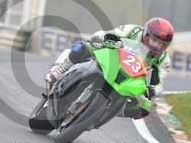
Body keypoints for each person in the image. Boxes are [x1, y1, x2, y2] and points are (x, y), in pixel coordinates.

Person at [44, 18, 174, 119]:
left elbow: (159, 82)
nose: (158, 46)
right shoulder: (134, 30)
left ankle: (108, 111)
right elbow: (110, 33)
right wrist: (101, 39)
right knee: (82, 48)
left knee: (144, 109)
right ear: (146, 35)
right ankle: (59, 71)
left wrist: (153, 90)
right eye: (155, 41)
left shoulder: (163, 59)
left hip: (133, 77)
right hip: (113, 57)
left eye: (163, 45)